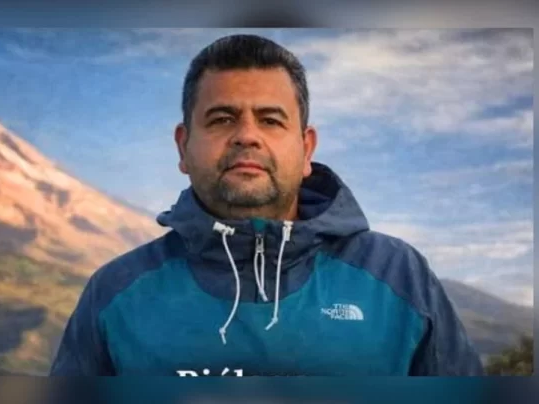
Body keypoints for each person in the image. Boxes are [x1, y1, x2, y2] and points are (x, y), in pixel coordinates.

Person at [50, 34, 484, 376]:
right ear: (183, 147)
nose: (247, 135)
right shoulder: (116, 293)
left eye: (271, 120)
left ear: (306, 148)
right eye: (222, 119)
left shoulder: (398, 276)